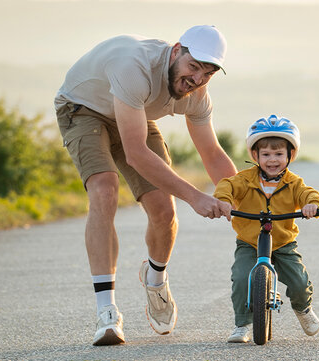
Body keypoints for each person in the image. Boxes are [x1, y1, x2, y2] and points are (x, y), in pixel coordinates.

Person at [54, 25, 237, 346]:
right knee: (105, 189)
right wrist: (195, 197)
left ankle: (155, 278)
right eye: (193, 67)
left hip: (133, 112)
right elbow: (136, 154)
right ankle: (107, 312)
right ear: (177, 50)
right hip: (83, 109)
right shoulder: (134, 66)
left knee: (164, 210)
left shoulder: (196, 95)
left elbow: (212, 153)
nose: (196, 79)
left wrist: (242, 200)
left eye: (207, 74)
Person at [213, 115, 319, 343]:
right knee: (242, 277)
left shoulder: (293, 183)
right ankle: (242, 324)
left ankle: (303, 308)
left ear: (290, 155)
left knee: (299, 281)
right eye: (265, 154)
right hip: (250, 242)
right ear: (255, 155)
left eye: (278, 154)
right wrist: (223, 200)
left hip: (283, 242)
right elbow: (227, 185)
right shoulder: (245, 180)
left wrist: (312, 205)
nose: (272, 160)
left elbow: (308, 193)